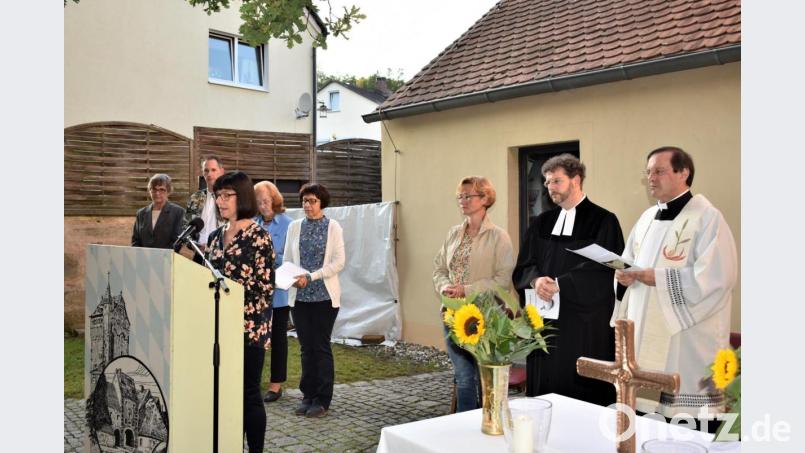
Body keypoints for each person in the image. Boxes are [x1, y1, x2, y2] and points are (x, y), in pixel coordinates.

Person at [613, 146, 737, 422]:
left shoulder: (707, 218)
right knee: (647, 417)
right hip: (645, 331)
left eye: (659, 171)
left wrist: (657, 278)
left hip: (687, 337)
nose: (651, 178)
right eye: (648, 172)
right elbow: (628, 261)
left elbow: (717, 278)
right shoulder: (646, 219)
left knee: (684, 423)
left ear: (683, 173)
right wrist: (624, 278)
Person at [512, 154, 624, 407]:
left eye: (556, 181)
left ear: (576, 180)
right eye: (547, 182)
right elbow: (524, 264)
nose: (549, 187)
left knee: (580, 392)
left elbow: (606, 269)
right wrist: (536, 281)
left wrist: (561, 283)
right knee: (545, 390)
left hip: (583, 325)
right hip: (545, 322)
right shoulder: (542, 222)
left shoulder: (603, 221)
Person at [433, 176, 515, 412]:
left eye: (468, 196)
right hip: (452, 314)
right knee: (464, 377)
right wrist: (444, 287)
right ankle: (465, 426)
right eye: (460, 196)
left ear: (485, 198)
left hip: (486, 316)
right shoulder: (453, 233)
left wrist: (466, 290)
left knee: (485, 378)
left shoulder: (499, 236)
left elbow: (503, 280)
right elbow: (439, 269)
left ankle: (490, 422)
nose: (462, 200)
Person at [206, 171, 275, 453]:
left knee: (248, 393)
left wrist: (231, 287)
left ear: (242, 197)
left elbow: (266, 287)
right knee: (223, 394)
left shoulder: (259, 237)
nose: (220, 201)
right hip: (217, 327)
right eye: (217, 196)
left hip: (249, 329)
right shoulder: (214, 237)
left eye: (227, 196)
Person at [283, 183, 345, 418]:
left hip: (324, 297)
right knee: (305, 348)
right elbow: (287, 259)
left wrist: (311, 276)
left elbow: (339, 262)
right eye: (305, 201)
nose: (307, 205)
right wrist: (292, 278)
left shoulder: (333, 227)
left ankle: (322, 399)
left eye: (312, 201)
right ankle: (307, 396)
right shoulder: (295, 226)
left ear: (322, 203)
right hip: (299, 298)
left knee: (320, 347)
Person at [253, 181, 294, 403]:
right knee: (255, 340)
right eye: (259, 202)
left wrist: (269, 257)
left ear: (275, 200)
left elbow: (290, 258)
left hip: (278, 294)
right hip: (256, 295)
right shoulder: (252, 224)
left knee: (278, 340)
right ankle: (253, 381)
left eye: (266, 201)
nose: (263, 206)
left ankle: (276, 384)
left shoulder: (289, 224)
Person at [185, 155, 225, 263]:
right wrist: (194, 246)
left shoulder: (228, 198)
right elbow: (186, 228)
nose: (209, 174)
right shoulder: (195, 198)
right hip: (199, 254)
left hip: (222, 256)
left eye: (213, 170)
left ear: (222, 171)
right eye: (206, 171)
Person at [131, 173, 185, 249]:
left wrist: (160, 255)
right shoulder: (141, 213)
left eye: (162, 189)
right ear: (149, 191)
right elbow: (135, 241)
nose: (157, 193)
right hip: (143, 256)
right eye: (154, 189)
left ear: (168, 191)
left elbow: (177, 242)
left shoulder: (178, 212)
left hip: (167, 256)